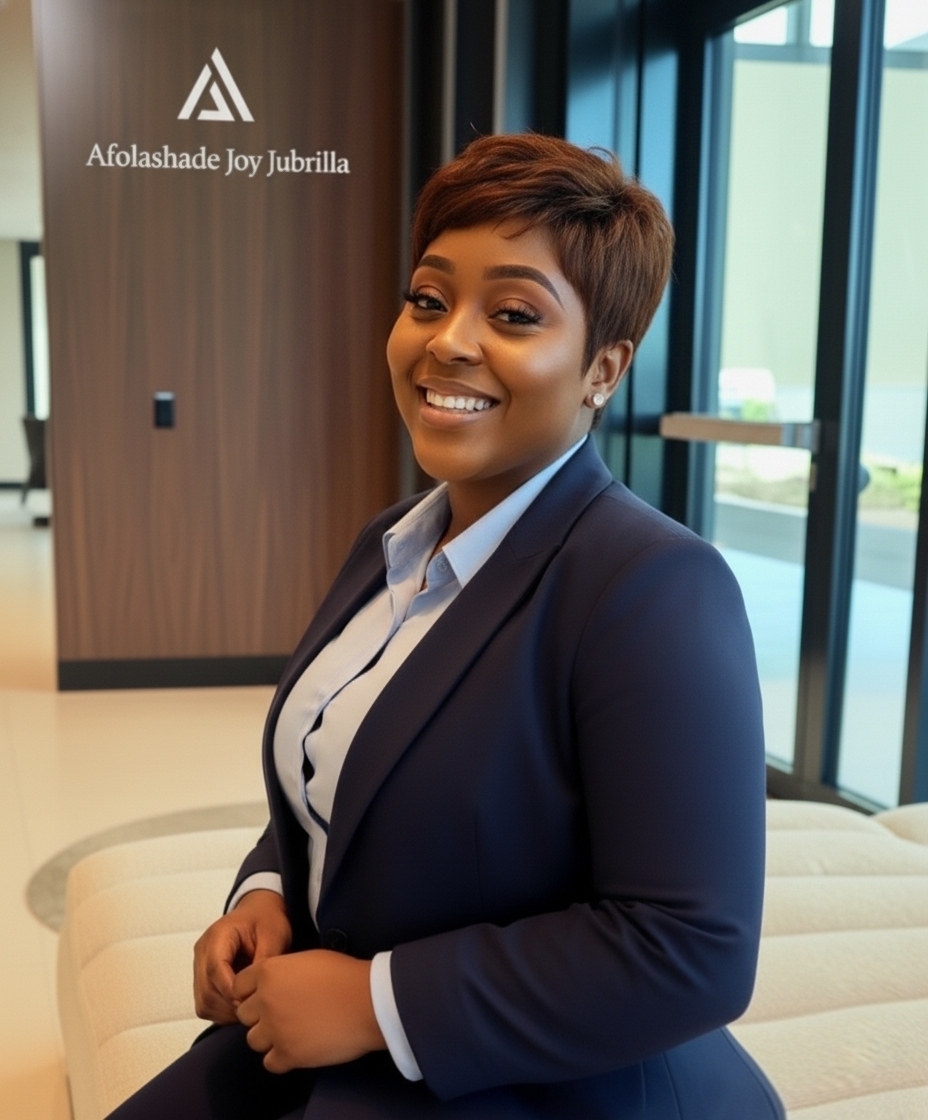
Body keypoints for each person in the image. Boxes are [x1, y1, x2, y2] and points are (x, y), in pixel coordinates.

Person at [107, 133, 784, 1119]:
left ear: (602, 367)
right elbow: (352, 776)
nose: (448, 340)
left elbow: (692, 949)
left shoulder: (655, 589)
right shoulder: (388, 543)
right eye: (428, 299)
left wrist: (378, 1003)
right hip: (318, 1023)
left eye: (512, 313)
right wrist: (264, 897)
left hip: (543, 1079)